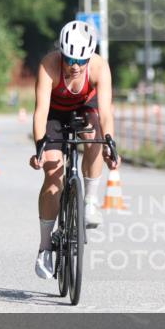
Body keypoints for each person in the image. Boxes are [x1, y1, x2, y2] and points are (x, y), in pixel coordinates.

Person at [29, 20, 120, 279]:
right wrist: (40, 148)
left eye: (81, 61)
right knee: (53, 175)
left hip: (85, 110)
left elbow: (106, 113)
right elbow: (40, 113)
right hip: (54, 115)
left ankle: (90, 200)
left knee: (96, 134)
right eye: (70, 59)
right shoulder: (48, 66)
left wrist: (110, 145)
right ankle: (45, 247)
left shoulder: (100, 68)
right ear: (62, 53)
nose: (75, 66)